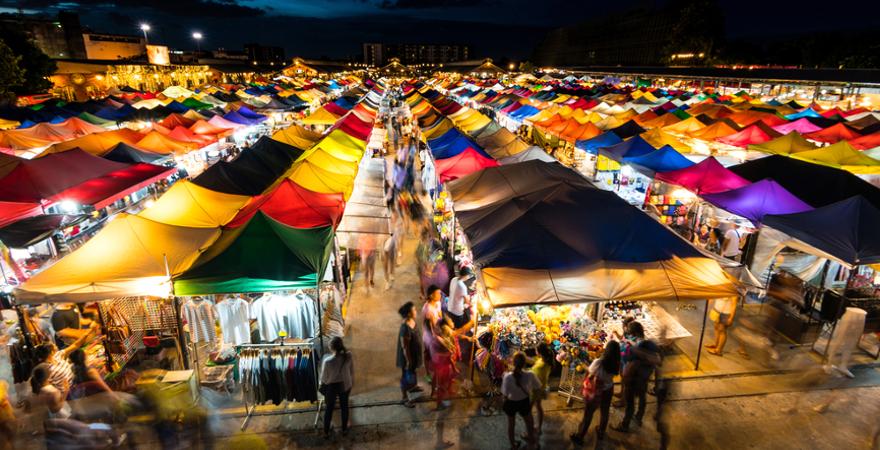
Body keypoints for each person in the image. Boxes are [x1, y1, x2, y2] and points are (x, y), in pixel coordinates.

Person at [570, 340, 621, 446]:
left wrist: (583, 365)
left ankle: (580, 436)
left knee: (588, 414)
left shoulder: (599, 362)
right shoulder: (616, 363)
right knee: (605, 411)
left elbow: (590, 374)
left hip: (596, 390)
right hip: (608, 389)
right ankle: (601, 432)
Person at [613, 321, 660, 433]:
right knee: (642, 398)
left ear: (633, 333)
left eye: (630, 333)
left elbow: (625, 358)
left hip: (633, 378)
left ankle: (625, 425)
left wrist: (625, 346)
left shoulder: (635, 348)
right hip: (644, 378)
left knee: (630, 403)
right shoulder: (648, 344)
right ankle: (638, 417)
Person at [35, 322, 97, 397]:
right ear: (50, 352)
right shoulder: (47, 369)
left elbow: (75, 345)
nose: (55, 345)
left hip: (77, 383)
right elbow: (47, 388)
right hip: (69, 393)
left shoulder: (57, 355)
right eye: (53, 346)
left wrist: (87, 333)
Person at [501, 352, 539, 450]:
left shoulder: (507, 377)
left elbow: (504, 394)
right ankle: (531, 444)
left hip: (511, 402)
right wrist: (532, 403)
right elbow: (537, 388)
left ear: (513, 362)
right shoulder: (530, 375)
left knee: (511, 425)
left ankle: (513, 446)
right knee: (529, 423)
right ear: (525, 363)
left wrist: (505, 403)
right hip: (524, 402)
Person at [321, 337, 354, 438]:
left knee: (329, 409)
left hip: (332, 387)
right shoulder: (348, 356)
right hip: (345, 385)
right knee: (344, 407)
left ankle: (326, 431)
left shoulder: (327, 361)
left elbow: (324, 379)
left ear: (331, 348)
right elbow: (351, 371)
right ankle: (344, 430)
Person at [396, 302, 422, 408]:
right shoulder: (404, 328)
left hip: (413, 355)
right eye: (414, 310)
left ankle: (413, 386)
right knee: (406, 377)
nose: (416, 312)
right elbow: (405, 347)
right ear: (409, 314)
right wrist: (409, 361)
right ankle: (404, 398)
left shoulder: (412, 321)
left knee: (413, 372)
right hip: (407, 357)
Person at [431, 325, 459, 410]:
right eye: (436, 328)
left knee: (441, 384)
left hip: (442, 365)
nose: (439, 329)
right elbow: (435, 354)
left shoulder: (440, 339)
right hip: (441, 366)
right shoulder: (436, 341)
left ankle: (438, 398)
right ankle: (439, 404)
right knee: (441, 385)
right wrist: (448, 354)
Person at [530, 343, 555, 436]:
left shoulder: (541, 365)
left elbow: (531, 373)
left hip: (536, 390)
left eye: (536, 350)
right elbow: (533, 361)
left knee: (528, 411)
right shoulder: (545, 360)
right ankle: (538, 428)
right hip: (541, 388)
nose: (535, 351)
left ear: (539, 352)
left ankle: (531, 430)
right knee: (538, 407)